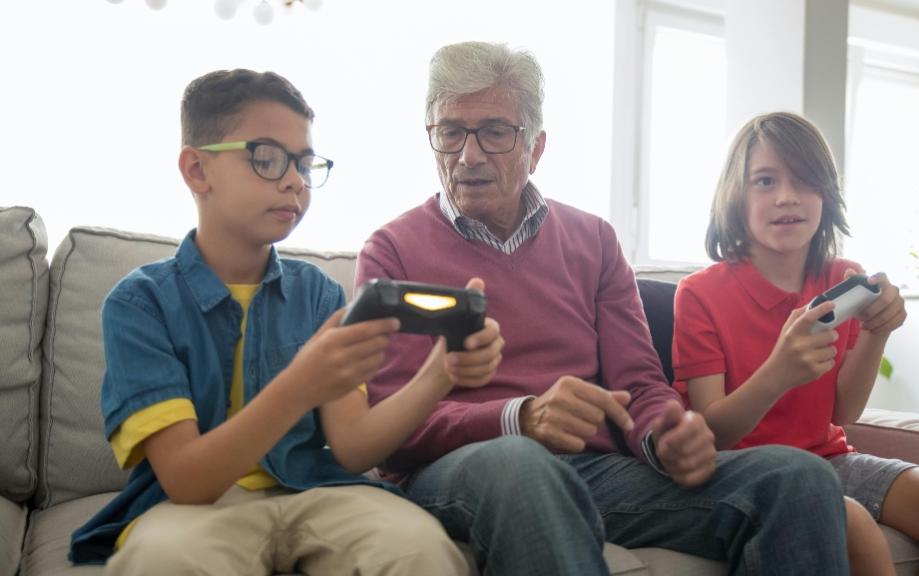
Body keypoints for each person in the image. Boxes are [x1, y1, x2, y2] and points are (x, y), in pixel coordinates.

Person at [356, 42, 851, 575]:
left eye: (495, 132)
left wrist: (668, 432)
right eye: (450, 132)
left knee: (798, 477)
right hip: (458, 473)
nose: (469, 155)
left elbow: (638, 382)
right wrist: (518, 418)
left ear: (536, 146)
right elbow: (392, 423)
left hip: (595, 471)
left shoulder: (593, 240)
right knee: (520, 464)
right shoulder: (392, 251)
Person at [69, 68, 504, 576]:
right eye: (268, 158)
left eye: (303, 163)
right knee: (163, 559)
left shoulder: (318, 293)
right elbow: (188, 482)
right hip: (195, 507)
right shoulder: (140, 304)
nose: (295, 181)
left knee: (418, 547)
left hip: (314, 491)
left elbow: (352, 447)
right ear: (196, 170)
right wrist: (300, 384)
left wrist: (439, 375)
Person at [673, 111, 919, 575]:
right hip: (750, 473)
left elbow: (842, 413)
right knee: (853, 524)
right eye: (764, 181)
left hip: (830, 458)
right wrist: (778, 373)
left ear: (826, 194)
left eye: (804, 181)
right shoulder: (699, 294)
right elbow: (715, 433)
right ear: (735, 196)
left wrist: (878, 333)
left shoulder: (842, 278)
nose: (786, 197)